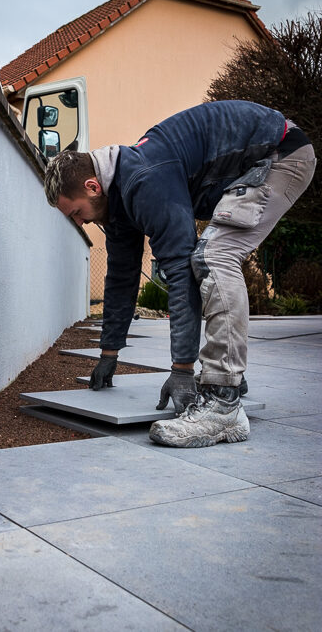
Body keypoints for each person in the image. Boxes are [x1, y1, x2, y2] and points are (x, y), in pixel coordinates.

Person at [44, 100, 316, 448]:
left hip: (280, 155)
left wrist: (182, 369)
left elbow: (179, 270)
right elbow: (121, 277)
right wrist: (109, 353)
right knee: (208, 256)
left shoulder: (144, 179)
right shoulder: (118, 201)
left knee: (213, 256)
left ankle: (222, 402)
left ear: (93, 187)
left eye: (77, 212)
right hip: (262, 158)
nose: (80, 223)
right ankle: (226, 376)